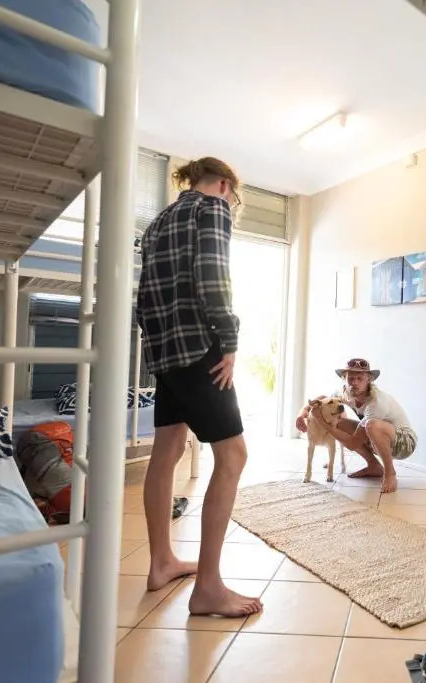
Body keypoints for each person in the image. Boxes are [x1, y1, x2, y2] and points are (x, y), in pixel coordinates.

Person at [135, 157, 262, 618]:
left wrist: (158, 348)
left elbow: (144, 298)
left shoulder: (157, 223)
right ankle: (208, 587)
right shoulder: (212, 208)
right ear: (225, 184)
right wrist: (228, 340)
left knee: (166, 451)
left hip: (164, 353)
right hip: (198, 349)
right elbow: (213, 277)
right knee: (233, 455)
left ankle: (161, 562)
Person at [295, 358, 417, 494]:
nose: (354, 382)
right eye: (350, 378)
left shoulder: (376, 402)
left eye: (360, 378)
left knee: (371, 426)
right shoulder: (346, 392)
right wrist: (302, 412)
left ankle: (390, 473)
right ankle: (374, 466)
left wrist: (322, 422)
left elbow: (353, 443)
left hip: (404, 443)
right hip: (379, 437)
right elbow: (324, 399)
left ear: (369, 379)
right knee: (340, 423)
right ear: (344, 379)